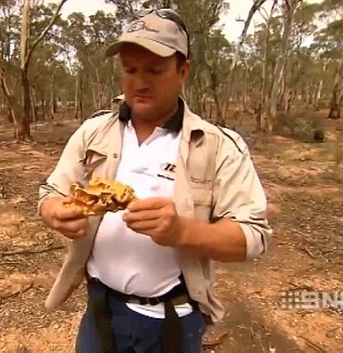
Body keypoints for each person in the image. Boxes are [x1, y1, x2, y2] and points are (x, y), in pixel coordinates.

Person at [38, 8, 272, 353]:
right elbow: (50, 193)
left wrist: (182, 231)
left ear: (183, 71)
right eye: (130, 70)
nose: (140, 82)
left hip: (172, 321)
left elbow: (254, 236)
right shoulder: (94, 132)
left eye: (155, 70)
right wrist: (55, 211)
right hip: (101, 312)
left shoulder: (217, 145)